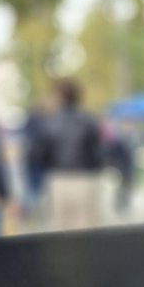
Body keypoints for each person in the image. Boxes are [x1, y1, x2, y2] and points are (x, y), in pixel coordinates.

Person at [38, 79, 103, 230]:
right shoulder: (89, 121)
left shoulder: (50, 122)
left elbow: (40, 154)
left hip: (59, 178)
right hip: (85, 178)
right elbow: (98, 153)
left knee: (60, 228)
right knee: (86, 228)